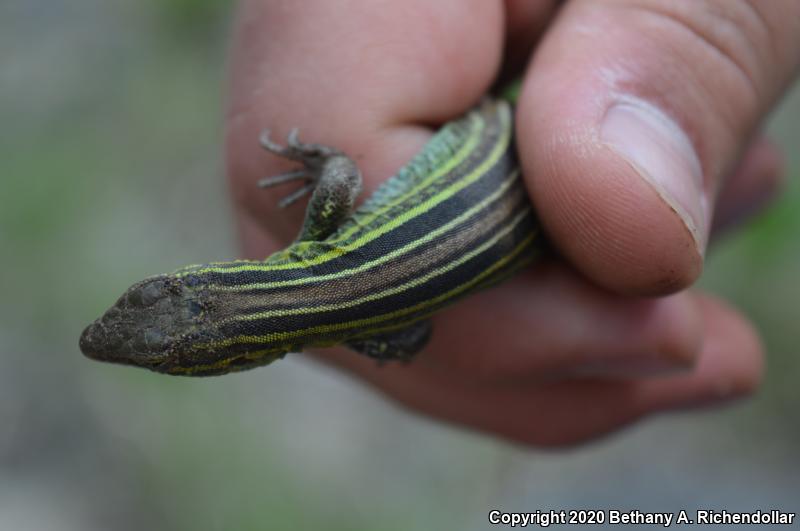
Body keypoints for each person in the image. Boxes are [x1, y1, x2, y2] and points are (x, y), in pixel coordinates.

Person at [223, 0, 797, 446]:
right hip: (495, 138)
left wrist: (390, 340)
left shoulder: (358, 327)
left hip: (533, 216)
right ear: (210, 278)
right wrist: (314, 161)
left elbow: (415, 336)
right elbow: (342, 174)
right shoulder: (315, 246)